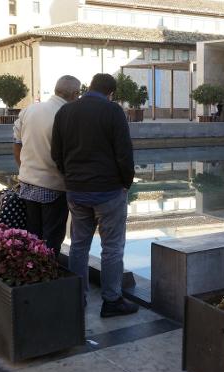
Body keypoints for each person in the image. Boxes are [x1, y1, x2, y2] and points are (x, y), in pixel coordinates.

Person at [51, 73, 138, 318]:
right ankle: (111, 301)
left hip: (76, 191)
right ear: (111, 93)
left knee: (78, 245)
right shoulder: (113, 111)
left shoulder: (65, 112)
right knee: (111, 248)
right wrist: (126, 183)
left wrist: (70, 178)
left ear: (89, 87)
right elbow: (124, 153)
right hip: (108, 191)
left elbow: (56, 153)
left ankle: (77, 299)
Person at [13, 75, 81, 257]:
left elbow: (17, 144)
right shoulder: (68, 116)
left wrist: (24, 168)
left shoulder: (29, 110)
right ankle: (49, 276)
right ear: (75, 94)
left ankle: (33, 274)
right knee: (52, 240)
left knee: (33, 236)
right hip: (54, 186)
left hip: (27, 184)